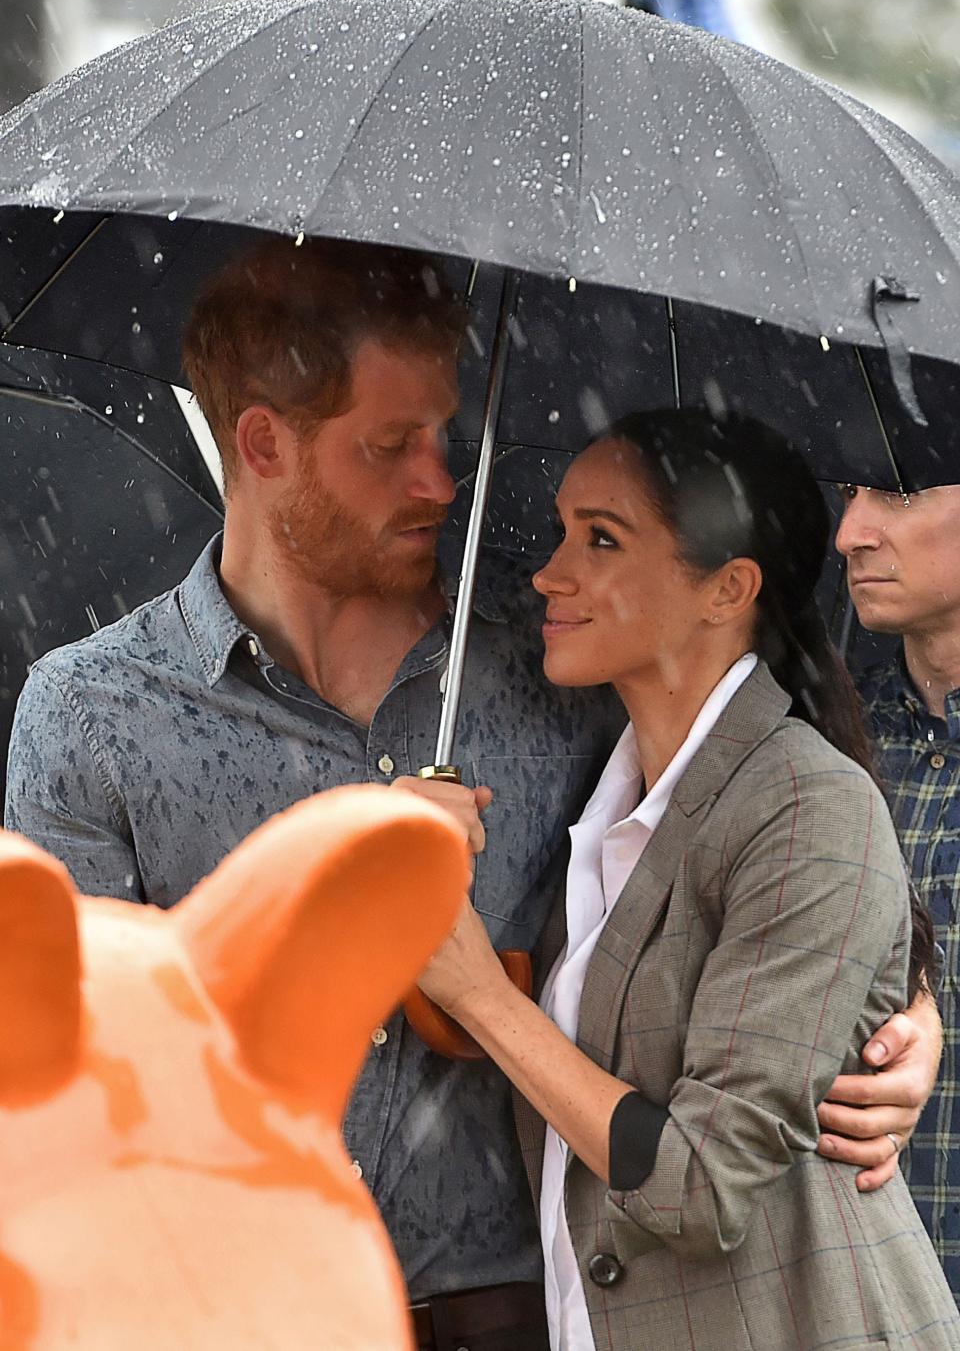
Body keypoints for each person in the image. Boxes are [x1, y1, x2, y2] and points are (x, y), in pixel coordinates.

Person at [1, 238, 941, 1347]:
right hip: (241, 1304)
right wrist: (326, 895)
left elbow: (766, 851)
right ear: (262, 443)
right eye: (391, 445)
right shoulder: (92, 710)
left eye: (443, 436)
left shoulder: (556, 673)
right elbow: (50, 1070)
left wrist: (905, 1016)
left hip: (525, 1309)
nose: (438, 481)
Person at [414, 410, 958, 1350]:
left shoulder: (805, 800)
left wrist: (483, 999)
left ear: (726, 590)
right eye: (559, 530)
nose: (549, 571)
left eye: (602, 539)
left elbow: (699, 1186)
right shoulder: (601, 794)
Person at [837, 480, 960, 1302]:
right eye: (852, 492)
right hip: (857, 1286)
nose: (850, 531)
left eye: (902, 493)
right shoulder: (828, 733)